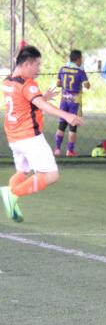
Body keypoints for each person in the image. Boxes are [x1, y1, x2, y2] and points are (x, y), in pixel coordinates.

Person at [0, 45, 84, 222]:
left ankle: (11, 198)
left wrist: (42, 97)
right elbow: (41, 106)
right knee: (51, 175)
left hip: (14, 137)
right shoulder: (28, 84)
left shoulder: (7, 81)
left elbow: (23, 103)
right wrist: (67, 115)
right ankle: (13, 193)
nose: (39, 69)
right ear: (27, 64)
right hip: (30, 137)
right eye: (37, 64)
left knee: (22, 171)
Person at [54, 49, 90, 157]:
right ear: (78, 59)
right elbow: (87, 85)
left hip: (64, 100)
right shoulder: (80, 71)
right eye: (81, 59)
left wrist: (66, 86)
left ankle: (57, 149)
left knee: (61, 125)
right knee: (73, 126)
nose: (81, 61)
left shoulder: (62, 69)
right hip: (75, 102)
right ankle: (69, 151)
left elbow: (58, 84)